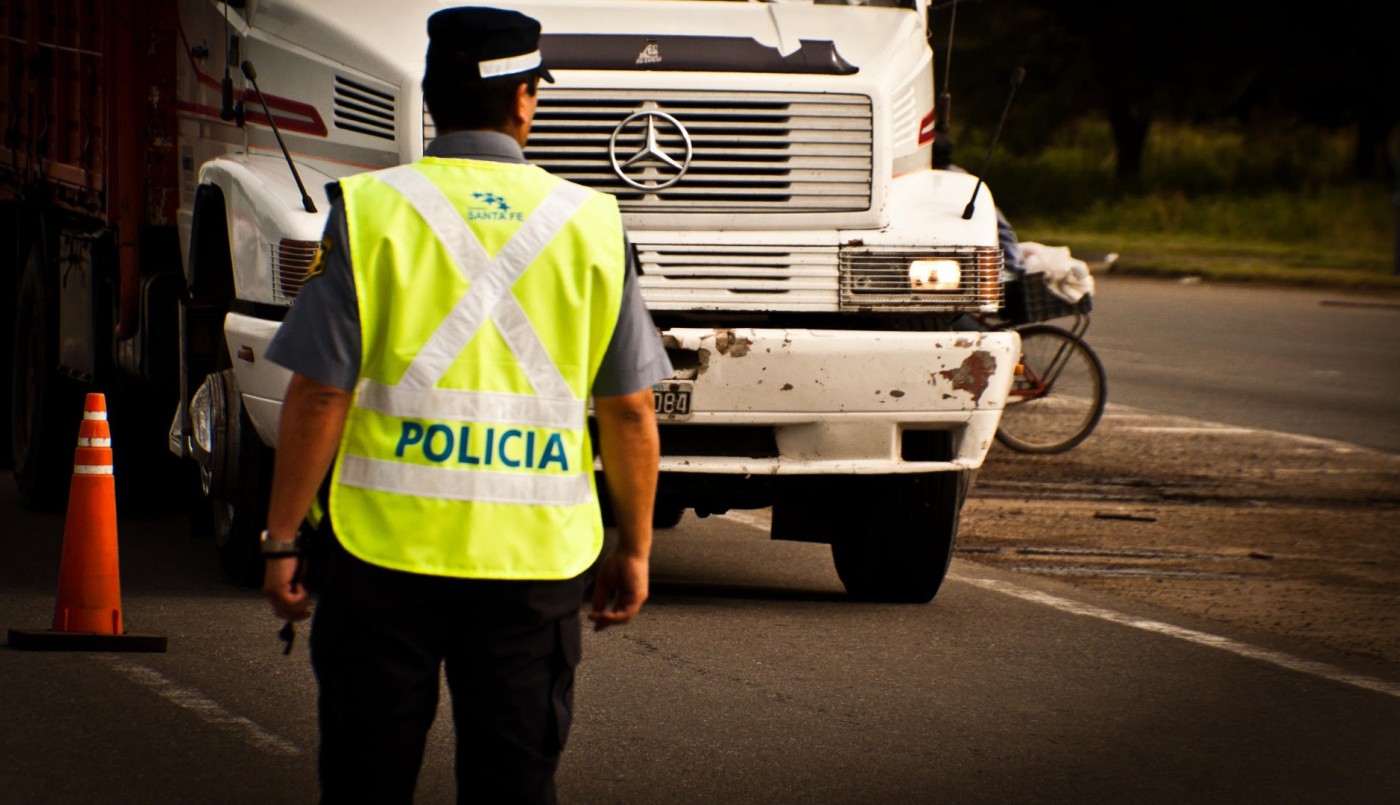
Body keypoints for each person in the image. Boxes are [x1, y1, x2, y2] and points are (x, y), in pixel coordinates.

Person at [259, 7, 672, 802]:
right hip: (532, 562)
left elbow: (318, 393)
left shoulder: (372, 212)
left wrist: (282, 540)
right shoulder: (590, 222)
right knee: (513, 784)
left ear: (432, 99)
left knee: (364, 781)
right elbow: (628, 410)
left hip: (382, 557)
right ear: (524, 101)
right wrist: (635, 545)